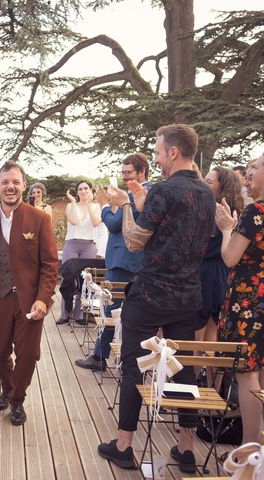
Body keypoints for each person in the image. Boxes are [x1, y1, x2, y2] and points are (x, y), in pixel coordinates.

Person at [97, 124, 215, 474]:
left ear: (174, 153)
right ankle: (186, 449)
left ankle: (123, 446)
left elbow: (134, 239)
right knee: (184, 369)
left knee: (134, 364)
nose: (159, 157)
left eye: (160, 151)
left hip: (150, 293)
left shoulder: (163, 190)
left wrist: (129, 204)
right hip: (189, 295)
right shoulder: (207, 194)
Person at [0, 161, 59, 426]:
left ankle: (17, 400)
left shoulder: (40, 218)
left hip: (30, 299)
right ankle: (9, 387)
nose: (10, 187)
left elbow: (50, 264)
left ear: (24, 184)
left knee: (29, 354)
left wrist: (43, 298)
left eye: (15, 182)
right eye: (5, 182)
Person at [76, 152, 149, 372]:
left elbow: (115, 224)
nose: (125, 177)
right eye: (123, 173)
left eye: (129, 173)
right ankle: (104, 355)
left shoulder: (140, 194)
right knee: (113, 310)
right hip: (126, 260)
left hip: (125, 261)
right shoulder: (131, 193)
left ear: (141, 172)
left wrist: (105, 206)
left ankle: (100, 356)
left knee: (110, 309)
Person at [216, 152, 264, 444]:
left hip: (248, 306)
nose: (248, 172)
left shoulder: (254, 212)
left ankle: (249, 451)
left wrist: (226, 230)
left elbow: (230, 258)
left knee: (248, 378)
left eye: (255, 167)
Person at [197, 167, 244, 344]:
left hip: (207, 275)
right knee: (213, 335)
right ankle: (206, 371)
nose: (203, 184)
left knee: (197, 337)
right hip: (224, 274)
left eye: (208, 182)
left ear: (221, 188)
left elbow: (202, 247)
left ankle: (197, 370)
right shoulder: (238, 212)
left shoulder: (214, 212)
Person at [56, 179, 101, 324]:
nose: (83, 191)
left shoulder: (96, 206)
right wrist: (74, 202)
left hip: (89, 244)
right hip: (72, 243)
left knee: (85, 280)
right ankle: (64, 314)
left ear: (91, 190)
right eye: (80, 189)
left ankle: (79, 314)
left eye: (86, 188)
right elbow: (74, 221)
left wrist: (89, 205)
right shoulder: (70, 205)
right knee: (67, 277)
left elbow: (95, 223)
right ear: (77, 192)